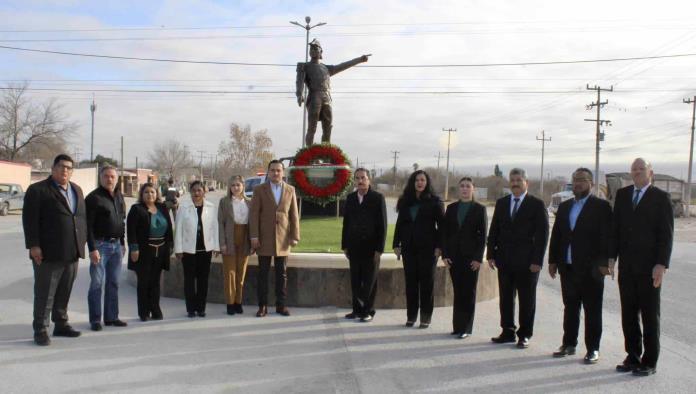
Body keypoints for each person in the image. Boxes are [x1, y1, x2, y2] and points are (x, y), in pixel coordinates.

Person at [611, 158, 673, 376]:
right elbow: (616, 230)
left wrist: (661, 264)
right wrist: (612, 258)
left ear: (650, 172)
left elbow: (666, 235)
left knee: (649, 315)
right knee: (628, 314)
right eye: (634, 170)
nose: (637, 173)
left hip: (649, 268)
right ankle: (633, 355)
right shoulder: (623, 195)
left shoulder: (661, 198)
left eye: (641, 169)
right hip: (627, 267)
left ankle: (649, 361)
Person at [548, 168, 612, 364]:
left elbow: (607, 237)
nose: (577, 184)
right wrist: (552, 260)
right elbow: (557, 234)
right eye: (575, 180)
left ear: (591, 184)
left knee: (592, 310)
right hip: (568, 266)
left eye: (582, 180)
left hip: (591, 269)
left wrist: (604, 263)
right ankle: (569, 344)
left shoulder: (601, 207)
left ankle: (593, 349)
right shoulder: (566, 207)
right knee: (570, 308)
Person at [22, 154, 87, 346]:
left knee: (64, 291)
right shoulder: (38, 190)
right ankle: (40, 330)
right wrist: (34, 246)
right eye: (61, 166)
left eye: (69, 168)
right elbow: (30, 221)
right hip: (48, 253)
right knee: (45, 293)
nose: (65, 170)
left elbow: (81, 218)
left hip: (72, 252)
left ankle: (61, 324)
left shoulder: (77, 190)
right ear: (53, 168)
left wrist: (82, 244)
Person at [487, 168, 549, 349]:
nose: (515, 183)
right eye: (512, 180)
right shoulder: (502, 203)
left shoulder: (536, 204)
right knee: (506, 298)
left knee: (527, 299)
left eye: (518, 180)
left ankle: (524, 335)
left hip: (528, 263)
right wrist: (491, 254)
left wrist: (537, 261)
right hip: (504, 260)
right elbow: (494, 230)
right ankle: (507, 331)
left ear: (526, 183)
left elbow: (543, 235)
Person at [393, 170, 444, 328]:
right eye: (417, 180)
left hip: (428, 250)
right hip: (408, 248)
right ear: (412, 183)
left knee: (426, 284)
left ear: (427, 182)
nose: (420, 183)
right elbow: (400, 224)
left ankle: (426, 317)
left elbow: (442, 227)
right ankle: (411, 316)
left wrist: (440, 247)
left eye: (422, 180)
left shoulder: (435, 201)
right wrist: (396, 244)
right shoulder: (405, 201)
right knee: (411, 284)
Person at [295, 39, 370, 146]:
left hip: (327, 97)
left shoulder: (326, 68)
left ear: (321, 52)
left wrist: (359, 59)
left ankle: (326, 152)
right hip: (314, 96)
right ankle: (308, 152)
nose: (312, 50)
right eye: (311, 48)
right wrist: (299, 94)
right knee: (312, 127)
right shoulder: (304, 66)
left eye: (315, 48)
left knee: (328, 126)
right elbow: (299, 81)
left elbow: (343, 65)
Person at [249, 160, 300, 317]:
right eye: (272, 170)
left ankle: (281, 305)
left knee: (282, 274)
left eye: (278, 170)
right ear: (268, 172)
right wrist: (254, 236)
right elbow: (254, 215)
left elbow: (294, 215)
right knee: (262, 274)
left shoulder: (290, 190)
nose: (275, 173)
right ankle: (262, 306)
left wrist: (295, 236)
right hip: (263, 238)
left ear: (283, 172)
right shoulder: (259, 190)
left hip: (283, 238)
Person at [442, 177, 488, 339]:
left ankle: (466, 328)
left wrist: (478, 258)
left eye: (468, 186)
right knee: (458, 292)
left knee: (469, 293)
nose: (464, 189)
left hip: (471, 259)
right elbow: (445, 234)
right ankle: (457, 326)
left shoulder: (479, 209)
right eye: (462, 186)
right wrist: (445, 255)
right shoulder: (452, 208)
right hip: (454, 257)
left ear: (473, 189)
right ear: (458, 189)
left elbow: (482, 237)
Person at [85, 165, 127, 331]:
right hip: (100, 246)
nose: (110, 179)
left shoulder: (119, 196)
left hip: (116, 246)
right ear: (100, 178)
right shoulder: (93, 198)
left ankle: (111, 317)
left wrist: (122, 243)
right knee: (97, 283)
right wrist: (92, 248)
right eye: (106, 176)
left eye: (112, 177)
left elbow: (121, 221)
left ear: (117, 179)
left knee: (113, 283)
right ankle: (95, 319)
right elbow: (88, 226)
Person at [341, 168, 387, 322]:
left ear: (369, 180)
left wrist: (379, 249)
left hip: (371, 249)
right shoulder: (351, 198)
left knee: (369, 281)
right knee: (355, 280)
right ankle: (356, 310)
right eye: (357, 178)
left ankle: (367, 311)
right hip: (354, 247)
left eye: (363, 178)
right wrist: (345, 246)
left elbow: (383, 225)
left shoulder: (377, 198)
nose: (360, 181)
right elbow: (346, 223)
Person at [127, 183, 173, 321]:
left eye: (152, 192)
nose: (150, 195)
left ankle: (155, 309)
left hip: (160, 250)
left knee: (155, 282)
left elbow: (169, 228)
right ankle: (144, 312)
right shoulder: (136, 209)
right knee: (144, 282)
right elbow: (131, 231)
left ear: (157, 194)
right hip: (143, 252)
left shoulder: (162, 207)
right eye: (146, 192)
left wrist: (170, 245)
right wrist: (134, 249)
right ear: (141, 194)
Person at [174, 180, 219, 318]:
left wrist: (216, 246)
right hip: (188, 251)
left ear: (204, 192)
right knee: (189, 281)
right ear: (190, 192)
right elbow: (178, 229)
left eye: (199, 190)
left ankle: (201, 308)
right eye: (194, 190)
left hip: (205, 250)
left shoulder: (211, 207)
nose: (196, 193)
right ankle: (191, 309)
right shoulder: (183, 207)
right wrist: (178, 249)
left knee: (203, 281)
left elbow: (214, 228)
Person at [218, 175, 252, 315]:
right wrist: (222, 243)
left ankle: (238, 302)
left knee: (240, 273)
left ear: (243, 186)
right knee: (230, 273)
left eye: (238, 185)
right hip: (229, 238)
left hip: (244, 238)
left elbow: (253, 223)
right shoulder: (224, 202)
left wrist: (253, 242)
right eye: (233, 185)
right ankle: (230, 303)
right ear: (229, 187)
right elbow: (220, 223)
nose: (236, 188)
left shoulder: (250, 202)